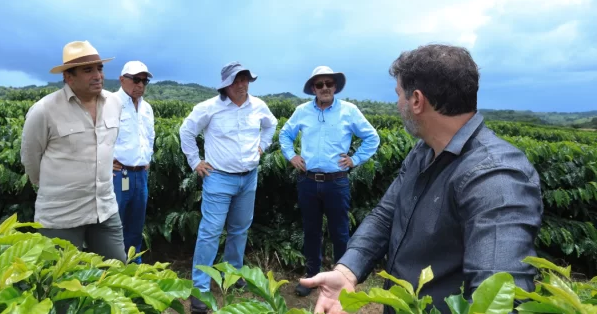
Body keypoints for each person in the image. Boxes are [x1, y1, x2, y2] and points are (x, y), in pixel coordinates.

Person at [301, 44, 544, 314]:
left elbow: (501, 301)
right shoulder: (425, 150)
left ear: (416, 100)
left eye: (398, 95)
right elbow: (387, 214)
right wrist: (348, 270)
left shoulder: (496, 177)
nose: (397, 104)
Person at [179, 61, 277, 313]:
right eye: (237, 80)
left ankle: (232, 275)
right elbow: (186, 131)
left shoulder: (258, 106)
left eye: (245, 79)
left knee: (239, 229)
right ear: (226, 84)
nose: (243, 84)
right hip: (219, 177)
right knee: (210, 232)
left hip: (249, 177)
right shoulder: (209, 108)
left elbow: (271, 125)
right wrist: (195, 161)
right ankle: (200, 288)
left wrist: (262, 146)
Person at [20, 40, 126, 262]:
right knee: (58, 285)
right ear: (69, 77)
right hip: (61, 214)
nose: (97, 75)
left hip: (105, 209)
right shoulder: (44, 110)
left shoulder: (114, 104)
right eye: (88, 70)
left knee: (118, 273)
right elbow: (31, 160)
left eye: (99, 68)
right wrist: (57, 187)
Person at [279, 66, 380, 297]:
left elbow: (372, 137)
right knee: (311, 231)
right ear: (313, 88)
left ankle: (343, 279)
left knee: (340, 232)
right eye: (319, 84)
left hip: (337, 182)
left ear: (335, 86)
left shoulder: (349, 111)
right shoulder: (302, 111)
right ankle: (311, 277)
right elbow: (285, 134)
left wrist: (355, 159)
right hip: (308, 180)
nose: (324, 88)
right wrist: (291, 156)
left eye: (328, 83)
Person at [112, 61, 155, 264]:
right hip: (119, 175)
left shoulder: (147, 108)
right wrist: (103, 161)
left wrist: (147, 158)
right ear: (122, 80)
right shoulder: (110, 103)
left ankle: (133, 270)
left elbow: (150, 136)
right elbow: (96, 135)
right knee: (114, 225)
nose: (140, 85)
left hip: (140, 175)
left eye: (144, 81)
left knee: (136, 227)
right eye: (136, 80)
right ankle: (111, 270)